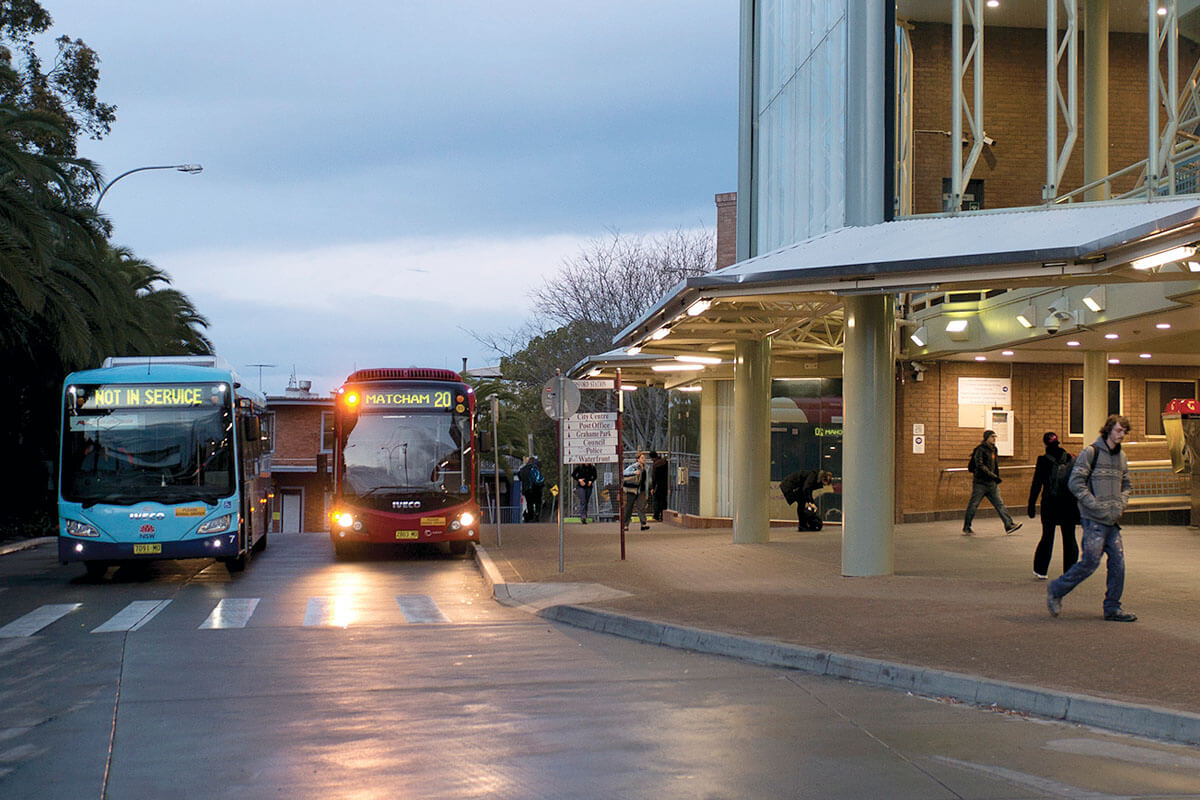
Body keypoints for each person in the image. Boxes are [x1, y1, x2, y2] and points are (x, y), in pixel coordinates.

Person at [1047, 415, 1137, 622]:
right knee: (1090, 562)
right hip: (1093, 520)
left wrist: (1121, 503)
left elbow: (1126, 484)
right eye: (1118, 430)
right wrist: (1095, 505)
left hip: (1112, 521)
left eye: (1124, 431)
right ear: (1108, 430)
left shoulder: (1121, 457)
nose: (1121, 434)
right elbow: (1076, 483)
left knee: (1118, 564)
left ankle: (1113, 607)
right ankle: (1057, 589)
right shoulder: (1091, 452)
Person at [1027, 432, 1080, 580]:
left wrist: (1031, 504)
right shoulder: (1070, 458)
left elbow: (1036, 483)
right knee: (1069, 537)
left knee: (1047, 536)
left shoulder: (1043, 460)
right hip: (1068, 504)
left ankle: (1041, 570)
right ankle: (1070, 571)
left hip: (1050, 503)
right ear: (1058, 442)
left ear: (1045, 444)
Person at [962, 430, 1022, 536]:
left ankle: (1009, 525)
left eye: (995, 437)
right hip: (980, 483)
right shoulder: (980, 450)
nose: (994, 439)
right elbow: (980, 466)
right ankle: (967, 527)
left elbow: (995, 465)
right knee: (974, 505)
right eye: (992, 437)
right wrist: (994, 476)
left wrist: (995, 478)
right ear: (986, 438)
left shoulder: (994, 449)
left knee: (1000, 504)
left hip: (991, 484)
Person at [621, 451, 651, 531]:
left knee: (641, 507)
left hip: (642, 490)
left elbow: (646, 481)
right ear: (637, 459)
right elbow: (624, 472)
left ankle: (643, 524)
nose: (644, 459)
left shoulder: (646, 468)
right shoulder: (634, 467)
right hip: (632, 489)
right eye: (642, 458)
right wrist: (634, 472)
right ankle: (625, 525)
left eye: (644, 458)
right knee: (629, 507)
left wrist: (647, 492)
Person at [518, 456, 544, 522]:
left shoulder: (523, 469)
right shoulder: (536, 468)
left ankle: (531, 516)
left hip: (527, 490)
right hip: (536, 489)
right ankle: (537, 514)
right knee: (538, 502)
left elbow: (520, 477)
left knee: (529, 503)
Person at [650, 451, 669, 521]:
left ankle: (656, 516)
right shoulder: (665, 462)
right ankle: (663, 515)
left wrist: (652, 487)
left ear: (652, 458)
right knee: (664, 501)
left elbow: (654, 477)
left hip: (658, 485)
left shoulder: (655, 465)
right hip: (665, 484)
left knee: (657, 501)